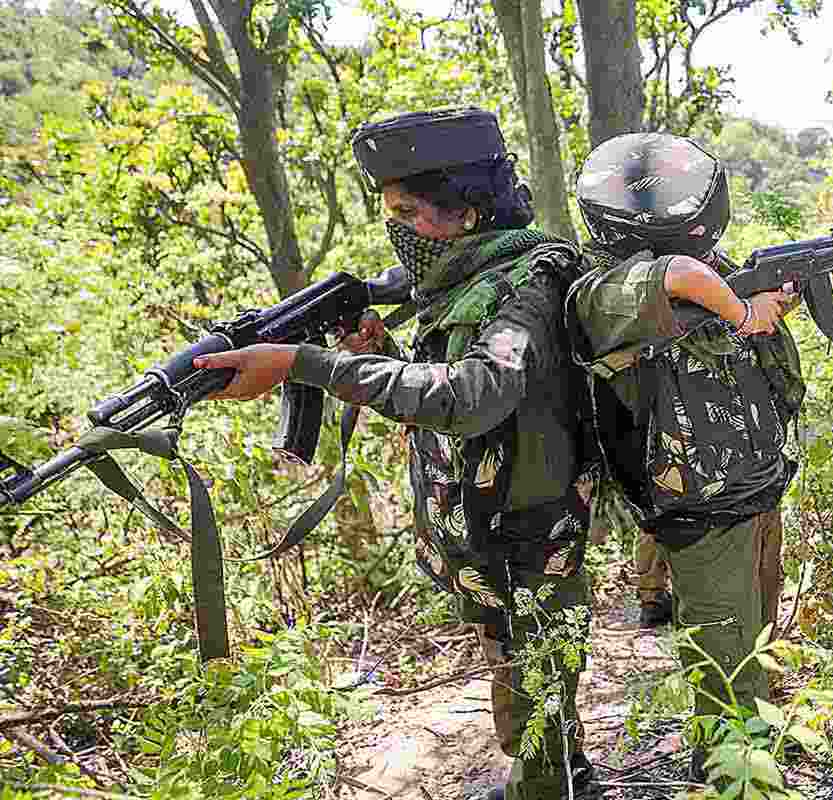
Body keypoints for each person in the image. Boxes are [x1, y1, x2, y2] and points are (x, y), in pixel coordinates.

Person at [191, 107, 596, 800]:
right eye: (391, 211)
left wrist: (306, 364)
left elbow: (476, 395)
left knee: (537, 666)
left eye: (410, 211)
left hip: (531, 521)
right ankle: (555, 776)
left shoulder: (528, 276)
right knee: (514, 660)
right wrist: (372, 353)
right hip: (487, 522)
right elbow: (440, 385)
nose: (397, 228)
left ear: (466, 210)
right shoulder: (461, 278)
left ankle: (550, 785)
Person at [565, 131, 833, 774]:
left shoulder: (711, 269)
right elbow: (679, 280)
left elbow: (716, 322)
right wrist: (743, 309)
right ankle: (730, 771)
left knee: (758, 642)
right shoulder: (602, 293)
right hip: (697, 511)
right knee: (725, 671)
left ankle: (758, 749)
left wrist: (825, 270)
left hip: (752, 485)